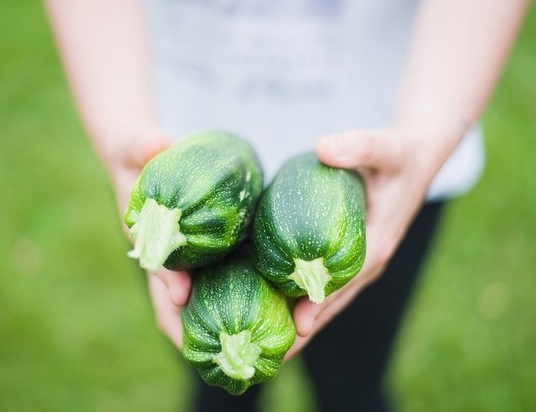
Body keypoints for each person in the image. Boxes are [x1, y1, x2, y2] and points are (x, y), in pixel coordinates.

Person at [44, 1, 527, 410]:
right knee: (218, 389)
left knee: (353, 379)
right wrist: (118, 127)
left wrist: (427, 140)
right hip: (178, 144)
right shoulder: (166, 199)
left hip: (395, 142)